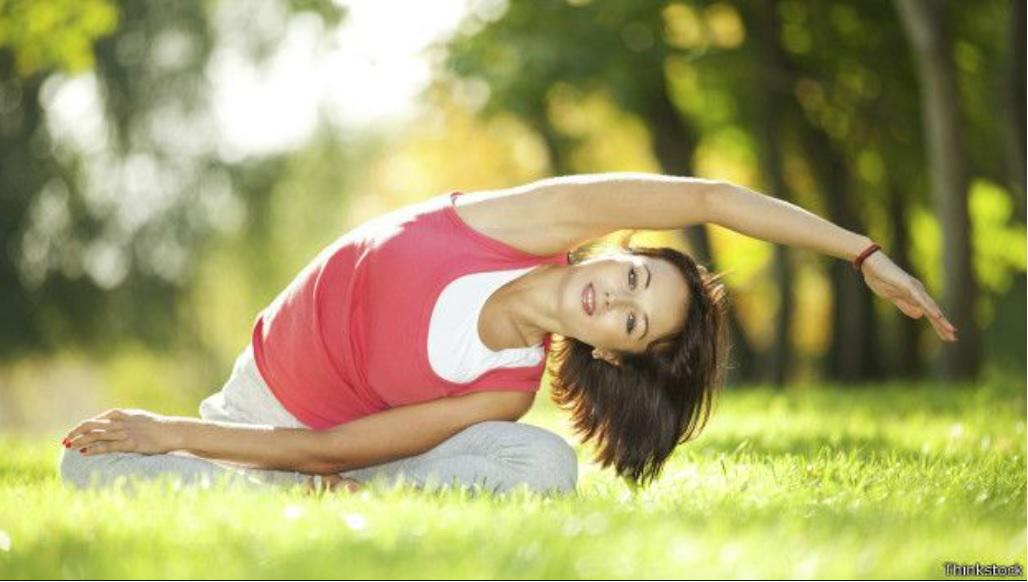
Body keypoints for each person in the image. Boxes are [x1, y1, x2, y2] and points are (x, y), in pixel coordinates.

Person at [57, 173, 957, 495]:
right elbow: (708, 200)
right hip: (253, 408)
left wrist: (167, 436)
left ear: (614, 354)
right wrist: (860, 254)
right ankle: (266, 492)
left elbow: (331, 446)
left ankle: (286, 496)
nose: (617, 299)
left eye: (636, 323)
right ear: (613, 250)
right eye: (634, 275)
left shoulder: (506, 390)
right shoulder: (521, 219)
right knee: (83, 462)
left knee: (541, 466)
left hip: (326, 453)